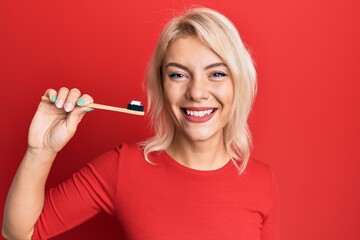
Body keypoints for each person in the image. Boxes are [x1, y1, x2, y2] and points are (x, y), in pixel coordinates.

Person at [2, 7, 279, 240]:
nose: (197, 92)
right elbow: (19, 233)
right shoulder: (122, 168)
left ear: (238, 84)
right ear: (160, 85)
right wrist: (40, 150)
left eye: (217, 73)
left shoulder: (262, 181)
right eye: (178, 75)